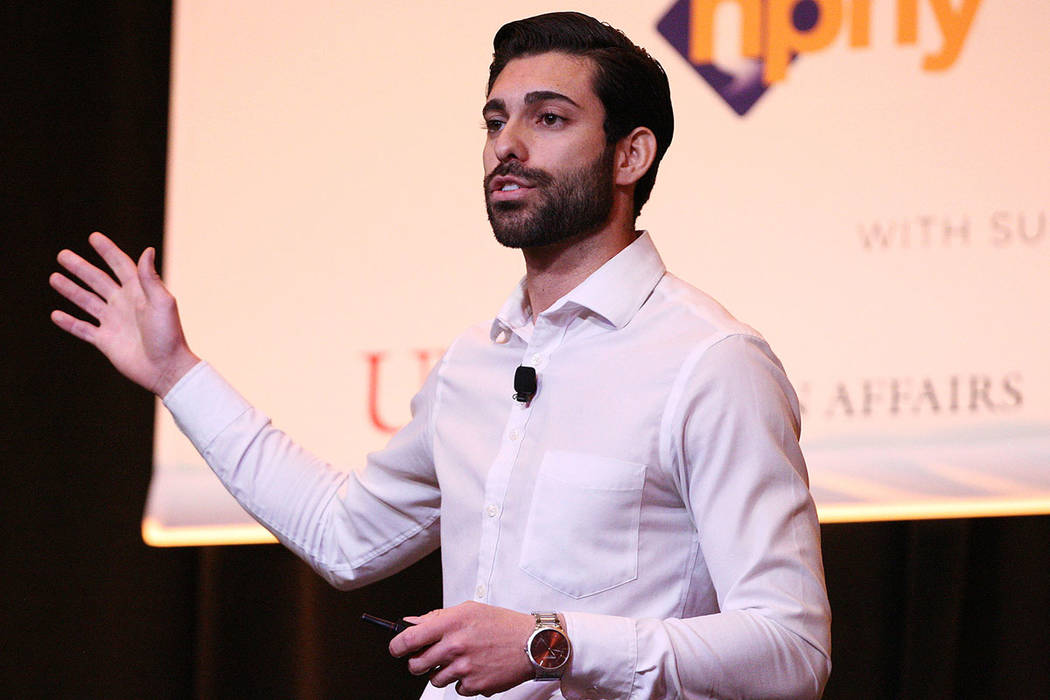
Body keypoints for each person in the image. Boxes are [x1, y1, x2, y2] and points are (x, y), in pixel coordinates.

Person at [50, 11, 831, 699]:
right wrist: (177, 374)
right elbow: (344, 535)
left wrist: (550, 643)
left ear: (631, 156)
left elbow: (792, 650)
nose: (507, 146)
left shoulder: (711, 360)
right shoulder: (474, 364)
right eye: (494, 122)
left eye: (549, 118)